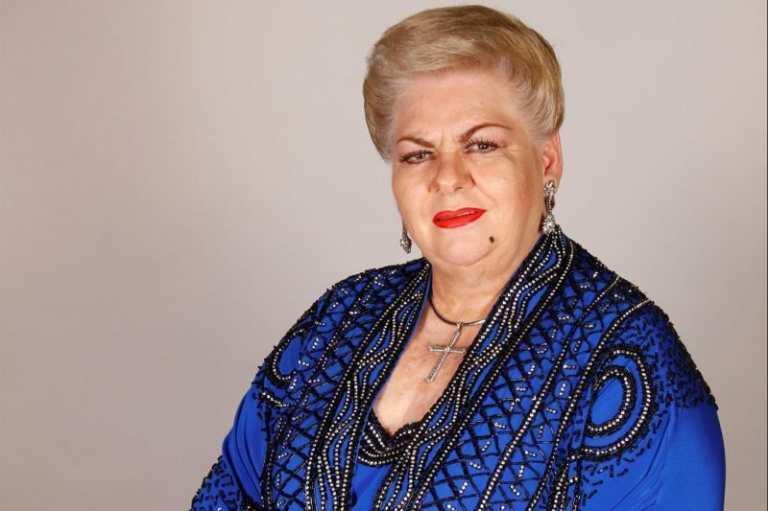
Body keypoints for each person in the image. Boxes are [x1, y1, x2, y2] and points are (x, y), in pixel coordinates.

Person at [190, 5, 726, 510]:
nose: (447, 178)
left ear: (546, 159)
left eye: (482, 145)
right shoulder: (339, 317)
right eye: (417, 154)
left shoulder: (627, 361)